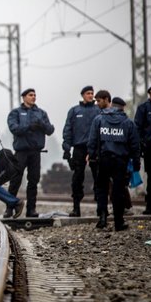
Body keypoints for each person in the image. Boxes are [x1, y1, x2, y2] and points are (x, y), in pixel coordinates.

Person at [88, 97, 141, 230]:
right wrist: (136, 162)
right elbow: (135, 145)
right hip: (120, 161)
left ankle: (103, 218)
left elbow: (92, 141)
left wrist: (92, 157)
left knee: (101, 189)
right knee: (119, 190)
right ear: (122, 107)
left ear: (111, 105)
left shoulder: (99, 120)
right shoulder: (128, 123)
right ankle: (118, 222)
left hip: (104, 160)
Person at [6, 88, 55, 217]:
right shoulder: (15, 113)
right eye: (30, 95)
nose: (33, 97)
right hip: (21, 151)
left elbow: (50, 130)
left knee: (33, 181)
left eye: (34, 95)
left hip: (35, 152)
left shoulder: (41, 113)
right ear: (24, 97)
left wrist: (42, 125)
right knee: (15, 180)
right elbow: (14, 128)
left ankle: (31, 209)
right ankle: (9, 208)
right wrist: (29, 127)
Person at [61, 85, 100, 217]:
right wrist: (67, 149)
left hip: (95, 148)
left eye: (92, 93)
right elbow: (68, 130)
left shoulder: (98, 110)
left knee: (99, 177)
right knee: (77, 178)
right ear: (83, 95)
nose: (91, 95)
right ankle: (76, 207)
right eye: (88, 93)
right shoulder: (74, 111)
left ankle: (101, 207)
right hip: (79, 148)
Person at [134, 83, 151, 215]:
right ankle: (150, 206)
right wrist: (141, 145)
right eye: (150, 94)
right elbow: (137, 129)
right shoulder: (144, 108)